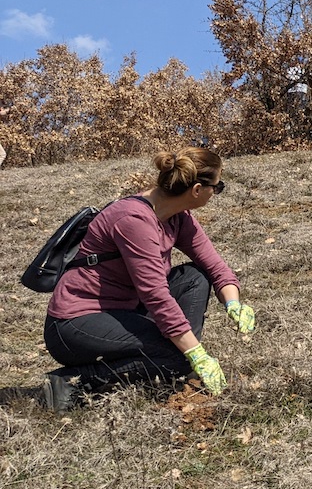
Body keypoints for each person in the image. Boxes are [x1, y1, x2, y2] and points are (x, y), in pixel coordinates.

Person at [40, 146, 256, 411]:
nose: (217, 192)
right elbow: (155, 294)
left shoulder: (178, 217)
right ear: (197, 189)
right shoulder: (133, 220)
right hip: (75, 324)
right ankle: (72, 382)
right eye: (217, 186)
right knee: (178, 356)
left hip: (125, 310)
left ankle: (175, 361)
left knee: (194, 276)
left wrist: (233, 303)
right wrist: (195, 353)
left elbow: (213, 265)